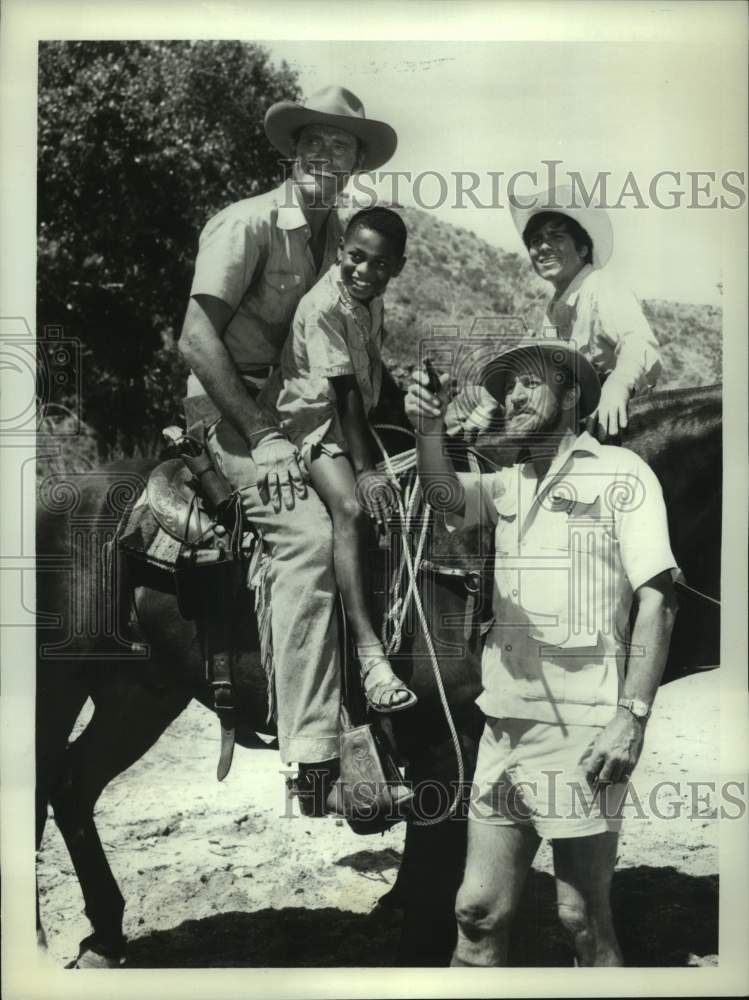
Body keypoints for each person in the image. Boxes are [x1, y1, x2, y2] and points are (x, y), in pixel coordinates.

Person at [405, 339, 679, 966]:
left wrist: (630, 719)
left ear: (573, 395)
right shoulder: (510, 484)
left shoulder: (621, 474)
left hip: (581, 734)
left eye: (531, 382)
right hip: (503, 727)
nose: (514, 395)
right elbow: (445, 498)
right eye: (508, 387)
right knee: (476, 913)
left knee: (581, 920)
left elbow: (659, 601)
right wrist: (427, 430)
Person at [178, 85, 398, 811]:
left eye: (339, 145)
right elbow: (195, 338)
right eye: (312, 140)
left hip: (294, 411)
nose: (322, 154)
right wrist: (263, 435)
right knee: (307, 538)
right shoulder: (244, 225)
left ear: (355, 163)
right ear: (291, 150)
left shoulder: (344, 241)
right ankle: (312, 757)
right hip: (228, 405)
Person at [269, 206, 417, 712]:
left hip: (355, 419)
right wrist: (367, 469)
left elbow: (371, 376)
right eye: (357, 258)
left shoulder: (371, 301)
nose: (365, 271)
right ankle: (368, 651)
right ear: (340, 253)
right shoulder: (326, 304)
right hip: (314, 425)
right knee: (352, 509)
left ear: (396, 268)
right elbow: (344, 390)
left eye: (380, 264)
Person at [510, 185, 662, 439]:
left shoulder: (601, 285)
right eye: (536, 241)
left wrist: (619, 384)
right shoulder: (553, 310)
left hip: (622, 424)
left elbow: (638, 342)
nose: (543, 247)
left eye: (556, 237)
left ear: (582, 249)